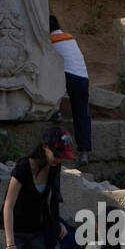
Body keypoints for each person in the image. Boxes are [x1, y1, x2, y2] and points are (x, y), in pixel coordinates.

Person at [49, 14, 91, 164]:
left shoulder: (51, 41)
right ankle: (84, 151)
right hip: (83, 78)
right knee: (82, 115)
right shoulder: (70, 38)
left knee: (46, 73)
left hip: (67, 77)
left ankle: (55, 111)